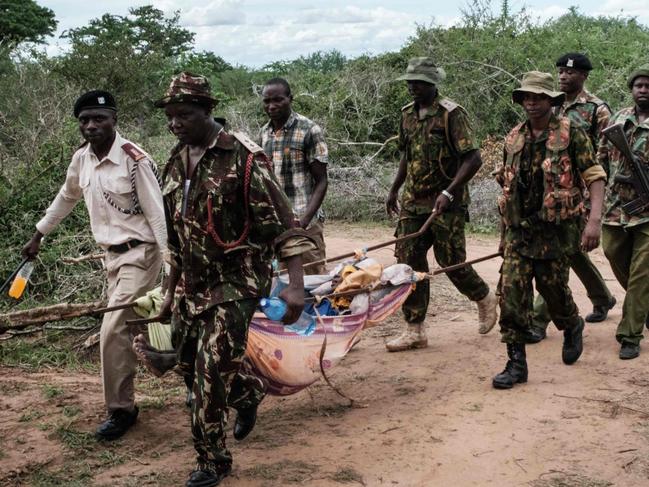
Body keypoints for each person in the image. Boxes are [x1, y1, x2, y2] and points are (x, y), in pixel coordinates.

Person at [153, 72, 314, 487]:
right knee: (188, 366)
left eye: (184, 114)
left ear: (207, 111)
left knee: (207, 379)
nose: (176, 123)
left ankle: (212, 461)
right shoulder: (173, 161)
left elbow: (284, 227)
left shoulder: (243, 158)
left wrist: (295, 285)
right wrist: (169, 292)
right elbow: (176, 237)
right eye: (170, 116)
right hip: (192, 284)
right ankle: (248, 392)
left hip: (235, 284)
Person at [21, 90, 166, 439]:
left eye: (98, 118)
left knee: (112, 329)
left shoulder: (134, 160)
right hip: (111, 258)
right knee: (144, 328)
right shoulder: (81, 160)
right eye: (84, 120)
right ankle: (194, 376)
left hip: (141, 253)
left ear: (114, 119)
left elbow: (157, 214)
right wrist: (40, 233)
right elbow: (67, 196)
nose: (91, 125)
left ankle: (122, 410)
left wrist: (173, 264)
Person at [492, 71, 606, 389]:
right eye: (526, 97)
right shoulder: (513, 137)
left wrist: (594, 222)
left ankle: (571, 324)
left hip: (554, 230)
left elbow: (595, 175)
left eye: (538, 97)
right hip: (519, 230)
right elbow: (508, 189)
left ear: (550, 101)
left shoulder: (571, 134)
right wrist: (504, 237)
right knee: (512, 295)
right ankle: (516, 364)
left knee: (553, 291)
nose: (531, 102)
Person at [384, 57, 498, 352]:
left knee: (451, 262)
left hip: (447, 202)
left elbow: (473, 158)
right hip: (414, 201)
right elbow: (406, 156)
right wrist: (394, 190)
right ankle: (414, 329)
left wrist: (449, 192)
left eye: (419, 82)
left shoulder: (452, 114)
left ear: (433, 85)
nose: (412, 87)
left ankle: (484, 297)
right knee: (408, 264)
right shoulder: (407, 115)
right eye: (410, 81)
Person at [529, 53, 615, 342]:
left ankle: (538, 320)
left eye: (571, 73)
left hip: (582, 192)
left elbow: (606, 156)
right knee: (571, 249)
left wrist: (595, 203)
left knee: (559, 253)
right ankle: (602, 296)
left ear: (584, 76)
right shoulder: (550, 104)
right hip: (553, 191)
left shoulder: (597, 109)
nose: (564, 77)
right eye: (561, 72)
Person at [598, 64, 649, 360]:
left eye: (648, 86)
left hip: (647, 215)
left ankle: (630, 334)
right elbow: (601, 157)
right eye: (638, 85)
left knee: (642, 273)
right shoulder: (618, 119)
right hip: (617, 208)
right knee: (613, 253)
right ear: (632, 89)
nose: (643, 90)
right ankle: (642, 307)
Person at [259, 77, 329, 275]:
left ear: (290, 99)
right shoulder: (264, 133)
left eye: (278, 100)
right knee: (282, 282)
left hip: (305, 222)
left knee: (312, 281)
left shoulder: (309, 130)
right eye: (267, 101)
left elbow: (321, 180)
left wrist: (304, 221)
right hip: (277, 224)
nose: (272, 106)